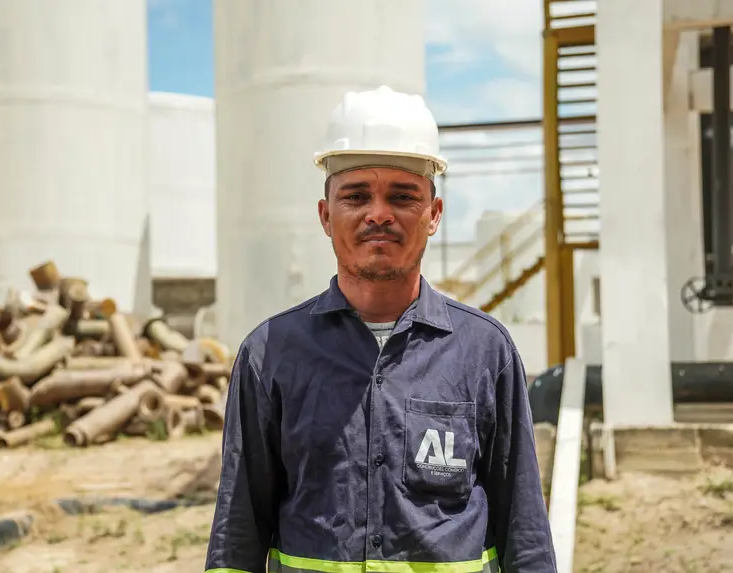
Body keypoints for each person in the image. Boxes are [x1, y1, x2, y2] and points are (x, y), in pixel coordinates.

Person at [205, 85, 557, 573]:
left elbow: (525, 527)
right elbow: (238, 529)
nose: (378, 213)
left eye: (402, 195)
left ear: (433, 215)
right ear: (326, 216)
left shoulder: (484, 351)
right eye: (356, 196)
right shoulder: (270, 353)